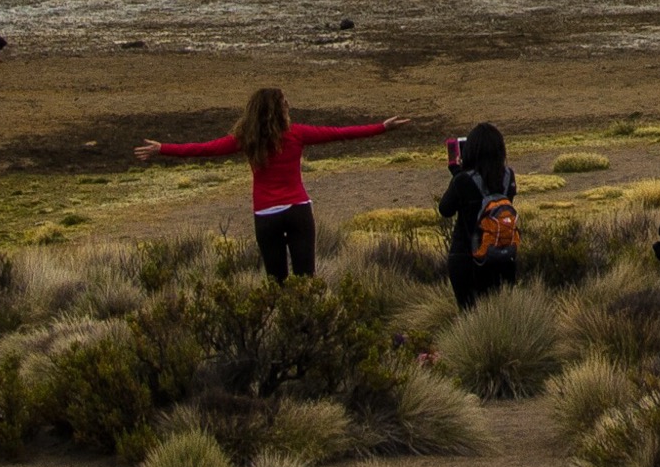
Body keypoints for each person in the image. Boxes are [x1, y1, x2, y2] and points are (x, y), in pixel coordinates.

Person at [136, 88, 406, 280]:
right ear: (279, 111)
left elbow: (203, 149)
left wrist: (163, 148)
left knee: (276, 282)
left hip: (266, 215)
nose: (289, 108)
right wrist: (382, 126)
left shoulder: (246, 139)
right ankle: (306, 334)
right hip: (298, 211)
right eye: (285, 105)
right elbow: (340, 134)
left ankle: (283, 337)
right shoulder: (297, 134)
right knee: (306, 280)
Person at [439, 122, 519, 309]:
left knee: (469, 314)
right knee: (500, 313)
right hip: (503, 255)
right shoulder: (508, 177)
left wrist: (457, 174)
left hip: (466, 257)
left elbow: (445, 209)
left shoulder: (463, 180)